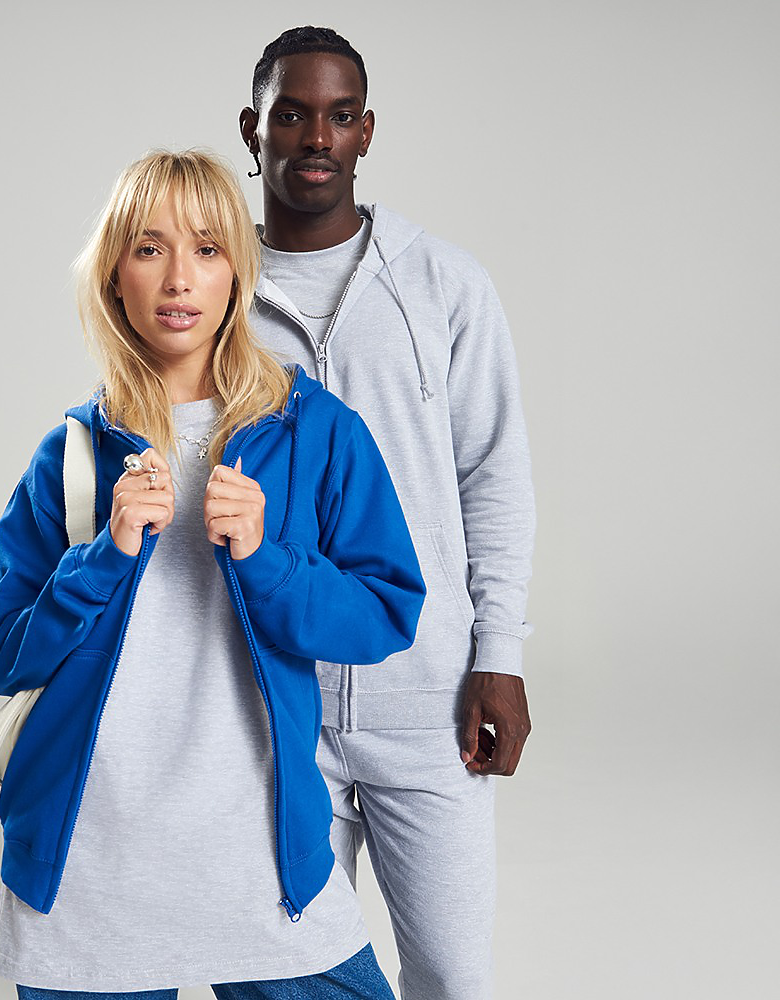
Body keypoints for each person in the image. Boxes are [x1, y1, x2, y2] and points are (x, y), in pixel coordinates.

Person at [0, 149, 426, 999]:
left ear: (237, 270)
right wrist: (100, 558)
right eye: (150, 248)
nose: (179, 277)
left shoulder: (315, 430)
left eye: (208, 248)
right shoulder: (70, 456)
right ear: (116, 275)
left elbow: (384, 613)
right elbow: (0, 656)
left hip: (265, 866)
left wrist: (267, 560)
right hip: (85, 878)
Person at [238, 26, 537, 1000]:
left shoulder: (443, 283)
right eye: (291, 114)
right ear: (252, 130)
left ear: (367, 132)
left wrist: (499, 655)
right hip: (271, 704)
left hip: (427, 697)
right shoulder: (213, 296)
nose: (315, 137)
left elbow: (492, 473)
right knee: (287, 974)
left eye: (339, 116)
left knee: (451, 975)